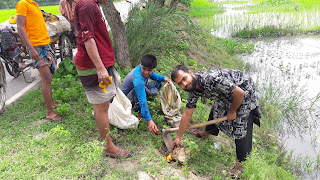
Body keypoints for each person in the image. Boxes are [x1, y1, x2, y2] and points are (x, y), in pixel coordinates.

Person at [170, 65, 261, 178]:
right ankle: (208, 133)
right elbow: (187, 113)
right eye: (180, 83)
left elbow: (239, 93)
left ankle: (241, 163)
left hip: (244, 90)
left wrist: (232, 111)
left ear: (190, 73)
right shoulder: (192, 88)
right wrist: (178, 137)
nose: (184, 84)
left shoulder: (212, 80)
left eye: (184, 78)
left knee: (240, 127)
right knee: (217, 109)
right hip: (227, 92)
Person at [74, 0, 131, 158]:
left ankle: (106, 138)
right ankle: (108, 147)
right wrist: (100, 68)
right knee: (101, 105)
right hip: (93, 65)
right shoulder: (87, 4)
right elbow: (88, 39)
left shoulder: (92, 4)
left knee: (104, 103)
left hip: (100, 62)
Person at [16, 0, 62, 122]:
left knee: (49, 76)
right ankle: (50, 113)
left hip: (44, 45)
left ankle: (51, 104)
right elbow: (20, 27)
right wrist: (30, 49)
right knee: (46, 78)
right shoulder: (22, 4)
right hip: (35, 46)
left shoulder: (33, 4)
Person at [121, 54, 171, 135]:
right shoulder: (137, 79)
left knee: (158, 83)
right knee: (140, 91)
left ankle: (143, 109)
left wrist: (164, 78)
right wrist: (149, 120)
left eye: (149, 70)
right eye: (144, 69)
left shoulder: (147, 71)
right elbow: (142, 100)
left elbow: (155, 77)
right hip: (125, 100)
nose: (146, 72)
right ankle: (138, 112)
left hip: (138, 91)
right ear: (141, 65)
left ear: (153, 69)